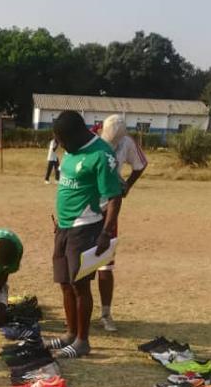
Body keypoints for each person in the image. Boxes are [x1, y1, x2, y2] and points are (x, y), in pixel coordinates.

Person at [46, 110, 124, 359]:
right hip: (64, 226)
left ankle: (82, 341)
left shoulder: (101, 155)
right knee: (65, 283)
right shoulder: (71, 148)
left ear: (76, 134)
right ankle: (70, 333)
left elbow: (114, 197)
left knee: (80, 286)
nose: (59, 144)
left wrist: (105, 232)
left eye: (61, 138)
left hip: (86, 226)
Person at [97, 115, 148, 331]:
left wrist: (127, 185)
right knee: (77, 263)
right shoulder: (90, 139)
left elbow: (141, 164)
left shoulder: (127, 143)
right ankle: (77, 313)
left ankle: (106, 314)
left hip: (109, 209)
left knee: (105, 264)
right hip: (85, 208)